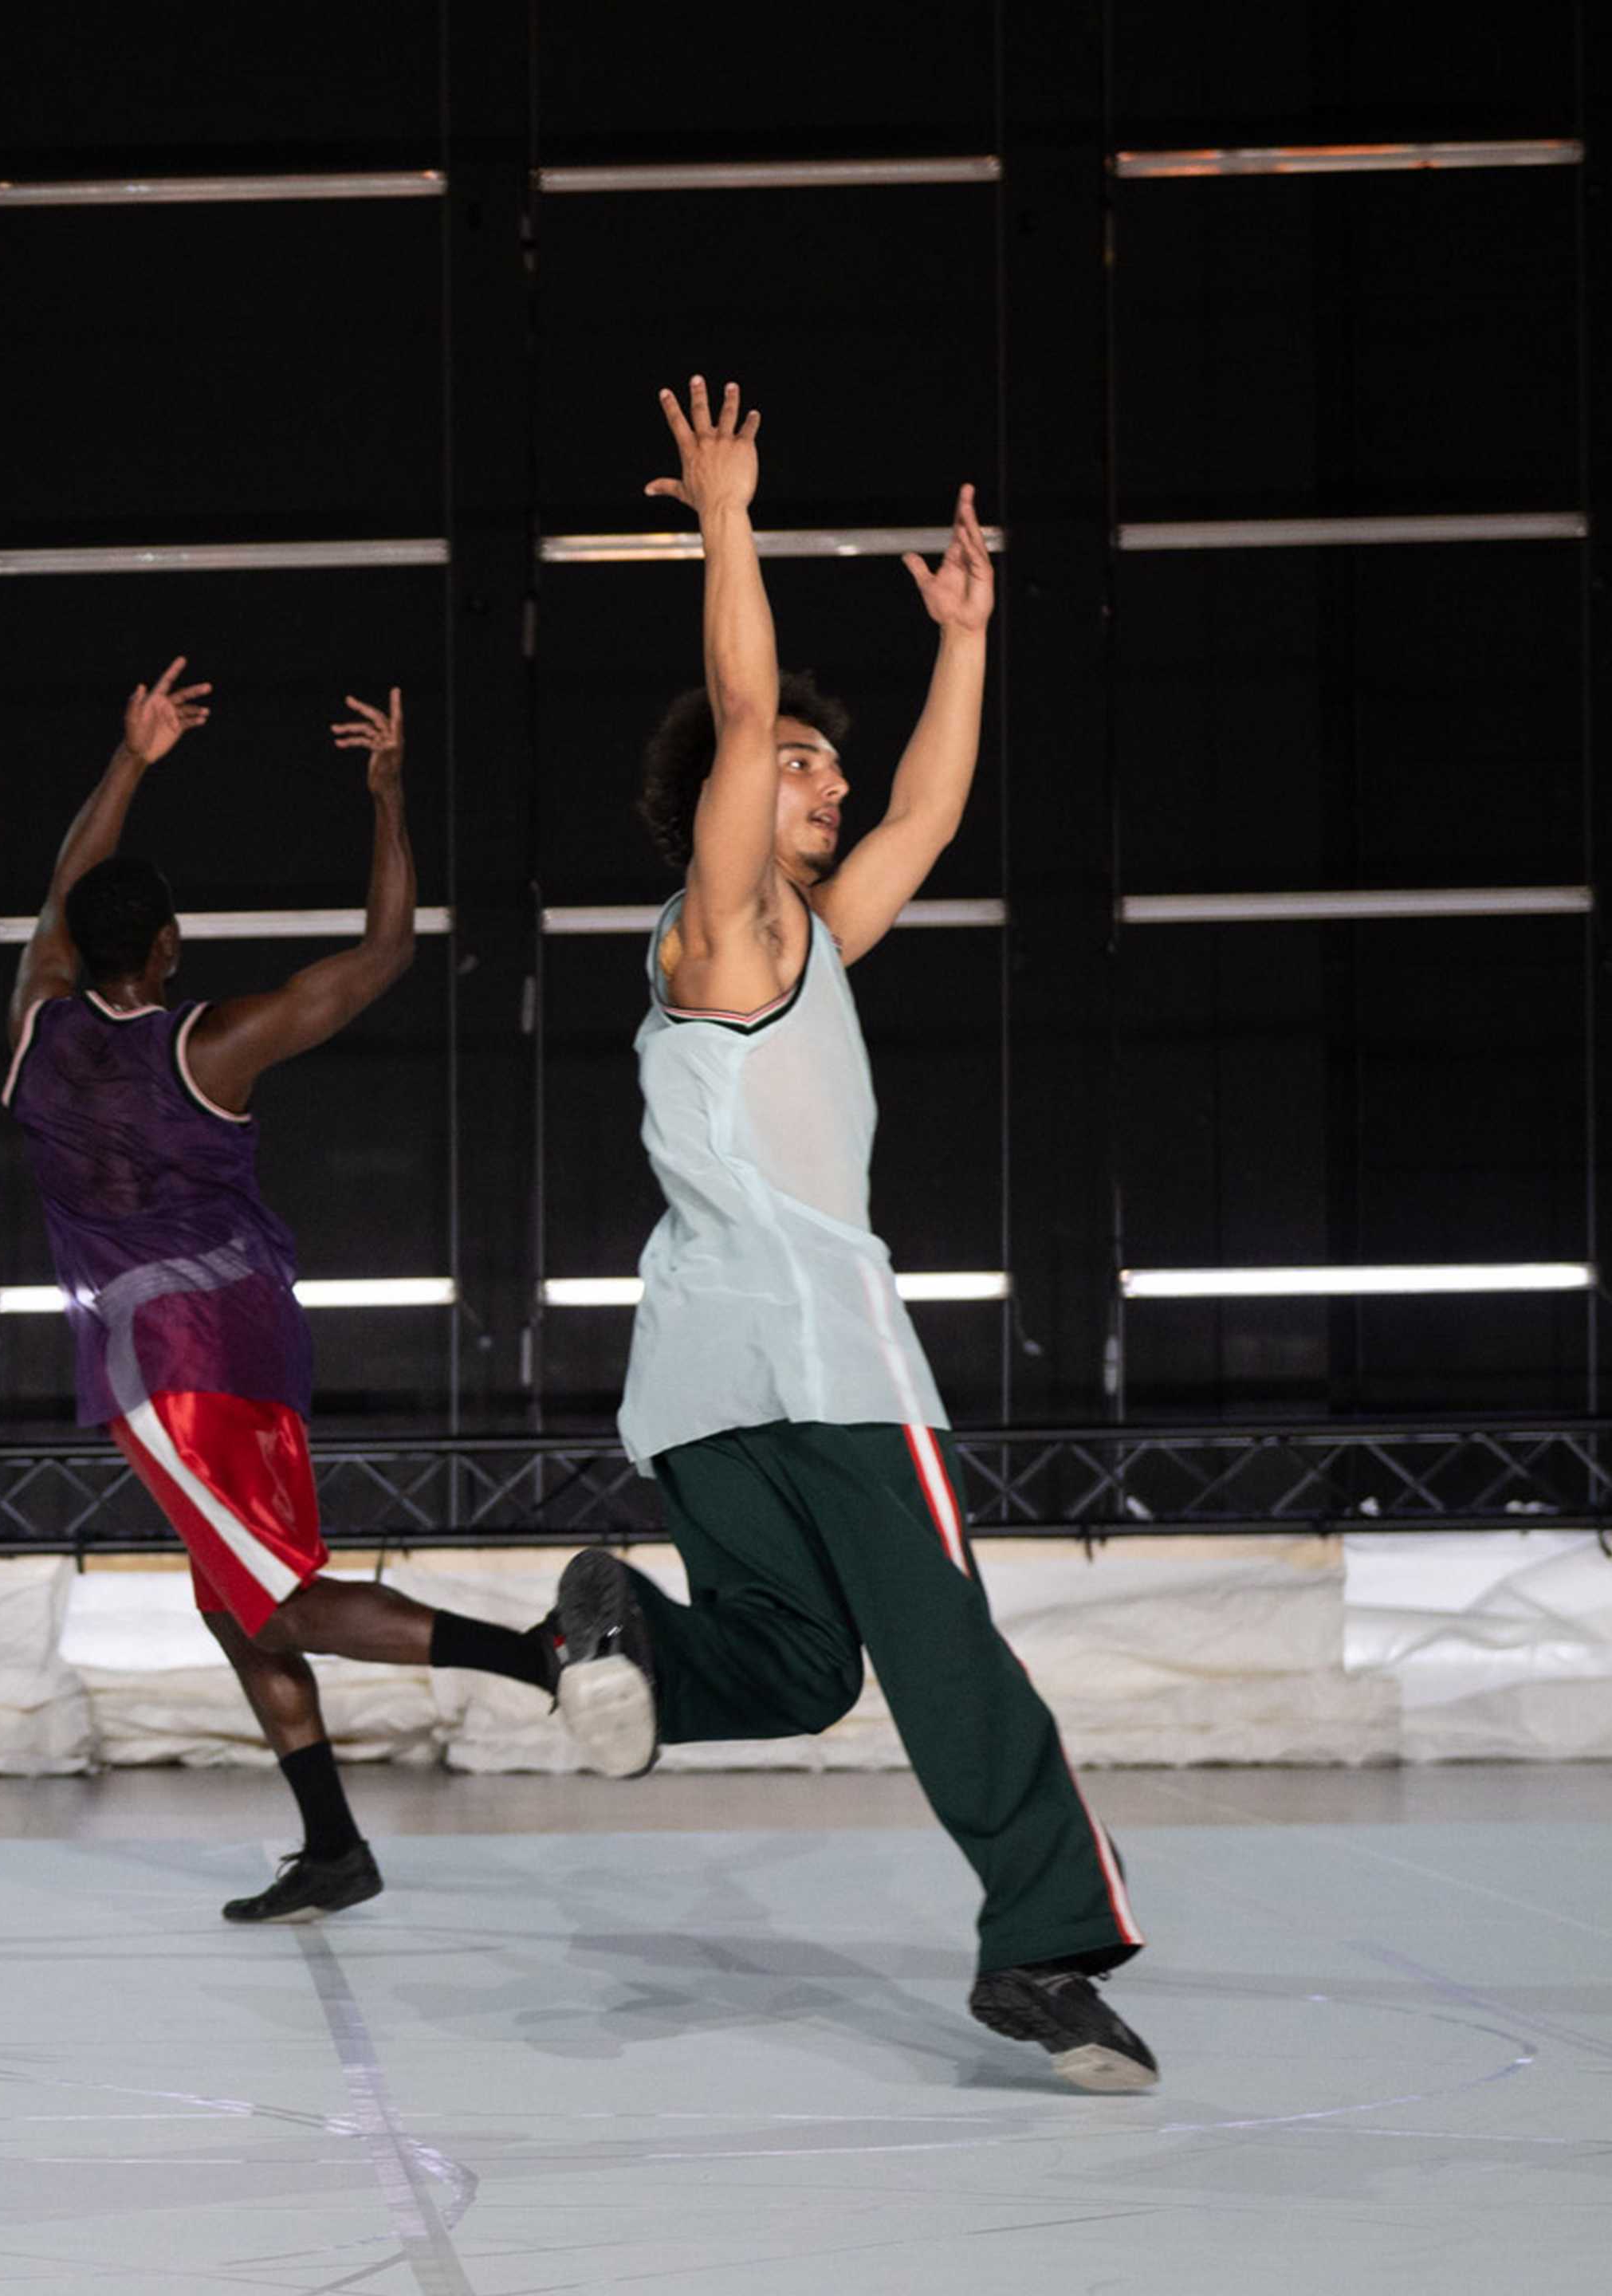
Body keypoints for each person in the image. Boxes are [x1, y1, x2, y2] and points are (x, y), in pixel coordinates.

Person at [552, 376, 1153, 2090]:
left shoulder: (798, 944)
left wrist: (963, 639)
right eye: (802, 770)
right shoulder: (724, 929)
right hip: (816, 1348)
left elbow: (928, 824)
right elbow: (741, 716)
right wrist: (730, 519)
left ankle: (619, 1641)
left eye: (829, 765)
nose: (829, 785)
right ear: (733, 812)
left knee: (800, 1666)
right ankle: (1042, 1949)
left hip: (698, 1372)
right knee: (944, 1645)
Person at [3, 666, 568, 1923]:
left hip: (169, 1371)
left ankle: (537, 1657)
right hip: (250, 1341)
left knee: (282, 1597)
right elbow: (382, 954)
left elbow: (57, 901)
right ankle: (333, 1848)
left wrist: (131, 761)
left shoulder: (38, 1026)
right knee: (230, 1601)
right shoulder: (215, 1042)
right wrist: (385, 799)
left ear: (78, 951)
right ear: (167, 947)